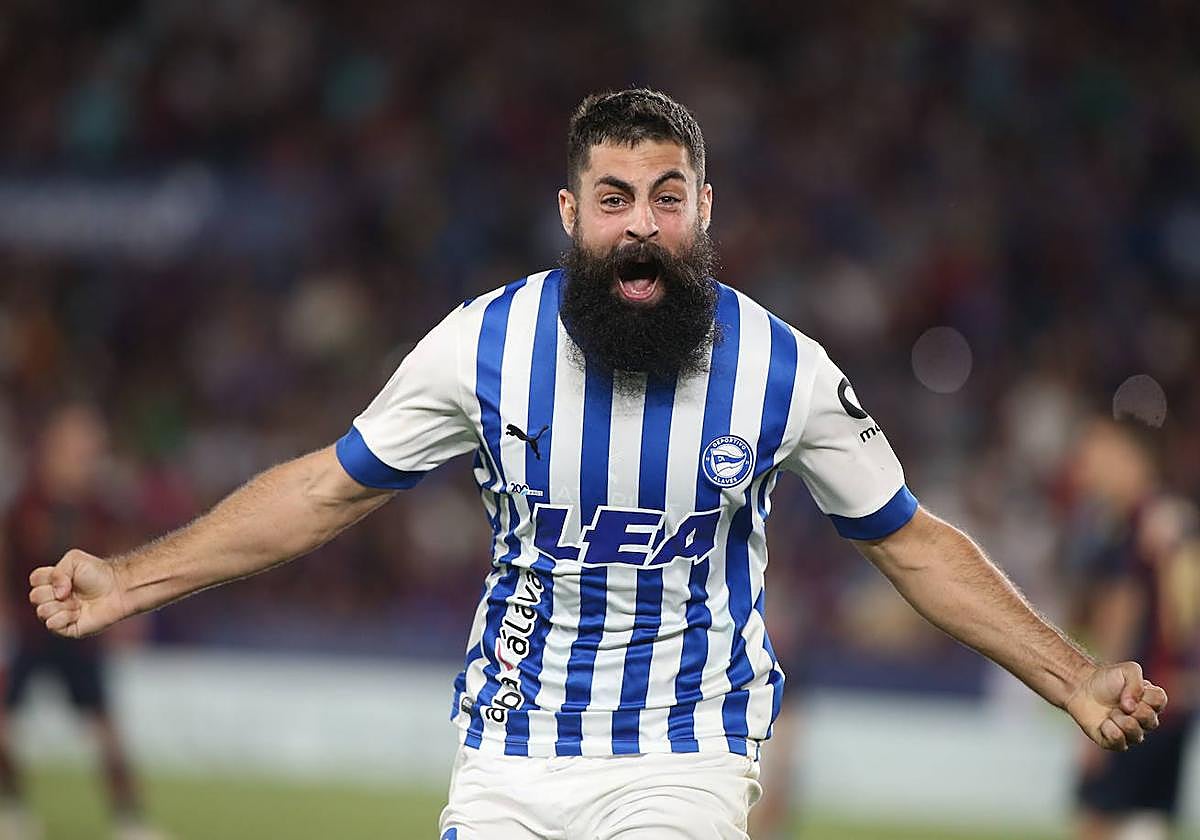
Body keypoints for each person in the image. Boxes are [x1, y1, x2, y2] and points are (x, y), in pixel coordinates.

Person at [29, 89, 1166, 839]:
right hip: (509, 751)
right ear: (571, 213)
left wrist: (1074, 678)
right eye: (613, 199)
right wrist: (128, 580)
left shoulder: (783, 370)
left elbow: (912, 544)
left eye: (667, 200)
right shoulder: (484, 346)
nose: (640, 226)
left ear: (704, 211)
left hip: (685, 753)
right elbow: (326, 491)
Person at [1, 403, 163, 840]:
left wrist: (130, 614)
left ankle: (130, 820)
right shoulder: (26, 502)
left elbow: (123, 556)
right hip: (30, 633)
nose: (89, 450)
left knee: (106, 732)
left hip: (80, 633)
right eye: (81, 440)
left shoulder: (101, 506)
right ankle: (13, 810)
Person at [1065, 418, 1198, 840]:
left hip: (1133, 697)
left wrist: (1096, 703)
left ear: (1132, 456)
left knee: (1098, 822)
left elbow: (1120, 619)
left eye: (1099, 452)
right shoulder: (1174, 520)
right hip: (1177, 693)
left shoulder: (1134, 527)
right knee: (1147, 821)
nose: (1089, 466)